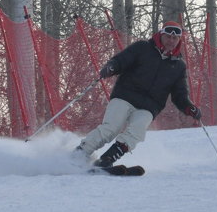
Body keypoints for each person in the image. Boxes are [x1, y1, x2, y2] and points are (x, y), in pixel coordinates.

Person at [75, 19, 202, 169]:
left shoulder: (178, 66)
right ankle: (79, 154)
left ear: (179, 40)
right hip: (125, 96)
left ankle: (106, 160)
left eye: (175, 38)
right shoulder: (143, 48)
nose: (171, 41)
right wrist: (111, 67)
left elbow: (179, 94)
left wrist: (188, 107)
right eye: (168, 36)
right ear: (161, 35)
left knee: (136, 132)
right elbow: (122, 60)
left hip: (149, 107)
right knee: (111, 128)